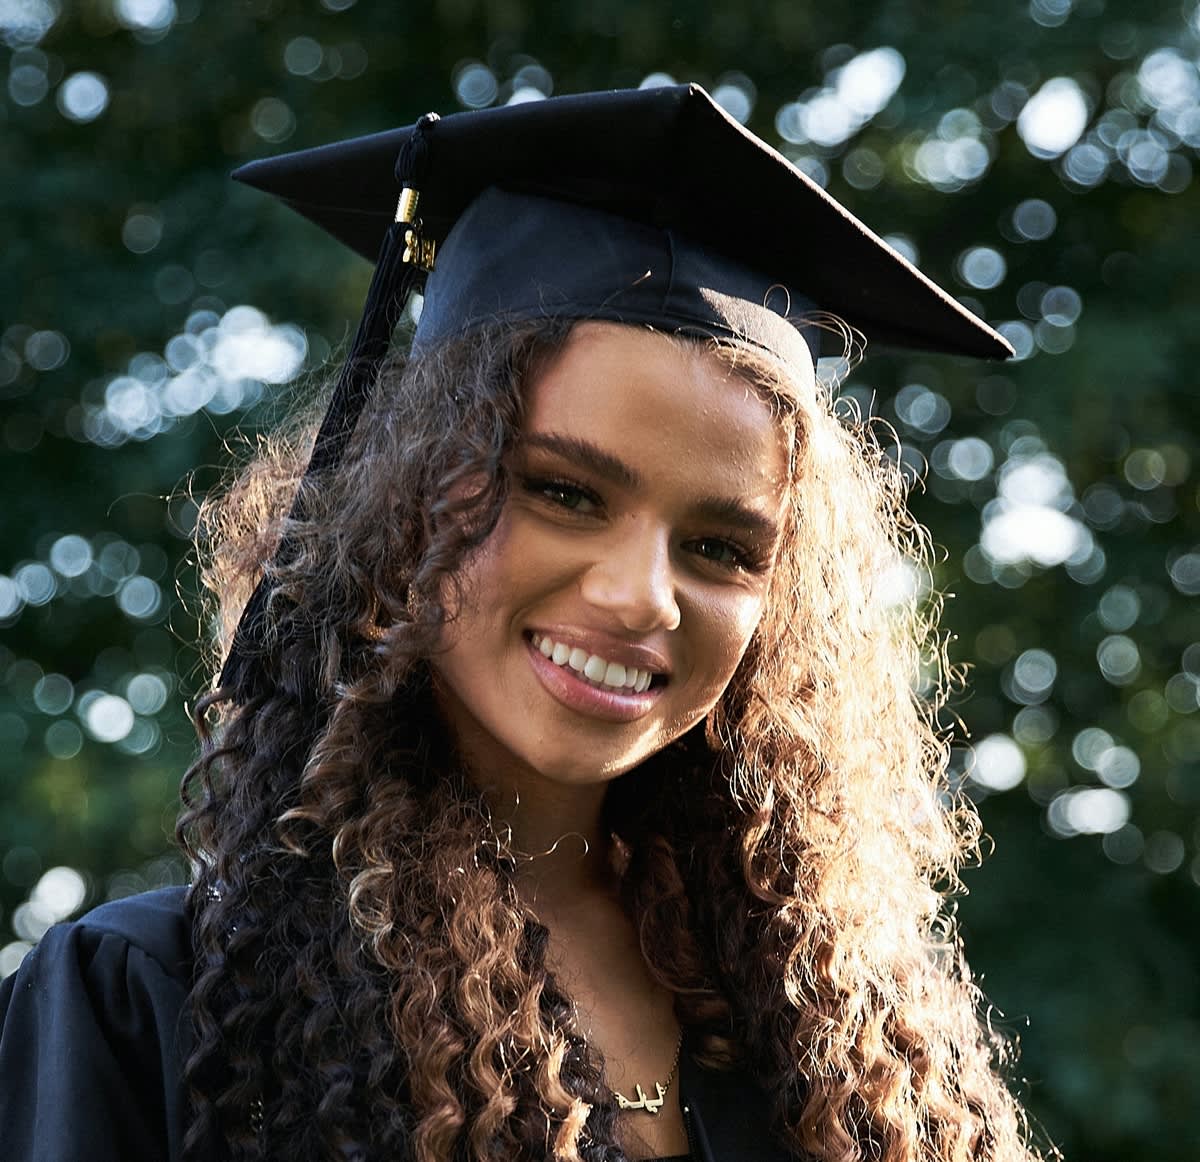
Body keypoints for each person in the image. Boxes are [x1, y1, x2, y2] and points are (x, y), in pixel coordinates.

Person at [0, 85, 1042, 1162]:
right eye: (563, 491)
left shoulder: (831, 1028)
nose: (643, 595)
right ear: (403, 503)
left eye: (721, 548)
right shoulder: (167, 1004)